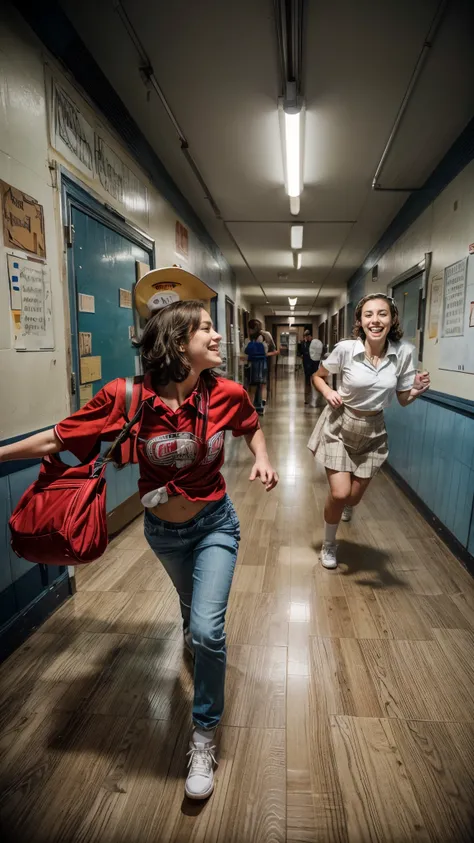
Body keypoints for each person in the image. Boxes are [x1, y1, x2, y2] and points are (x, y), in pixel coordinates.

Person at [0, 298, 279, 801]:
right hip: (162, 534)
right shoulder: (126, 397)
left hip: (217, 522)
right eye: (208, 330)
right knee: (193, 608)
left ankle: (203, 734)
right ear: (177, 343)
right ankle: (195, 636)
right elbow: (56, 440)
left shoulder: (228, 392)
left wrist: (263, 458)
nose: (218, 337)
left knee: (206, 628)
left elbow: (250, 426)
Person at [307, 293, 430, 569]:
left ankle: (348, 504)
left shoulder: (404, 352)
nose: (375, 320)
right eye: (368, 315)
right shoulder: (346, 349)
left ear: (392, 319)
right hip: (340, 423)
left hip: (373, 431)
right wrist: (328, 392)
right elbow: (317, 376)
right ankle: (329, 544)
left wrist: (417, 390)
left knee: (352, 497)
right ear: (360, 321)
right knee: (339, 494)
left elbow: (402, 397)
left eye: (382, 314)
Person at [244, 320, 278, 415]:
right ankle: (260, 405)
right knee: (261, 385)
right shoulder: (264, 336)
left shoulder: (251, 339)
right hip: (262, 364)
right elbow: (269, 350)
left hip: (253, 364)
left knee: (252, 386)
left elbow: (247, 351)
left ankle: (251, 407)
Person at [299, 329, 320, 406]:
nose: (307, 338)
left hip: (314, 364)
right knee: (307, 380)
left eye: (308, 336)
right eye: (306, 336)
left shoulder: (314, 344)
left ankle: (315, 396)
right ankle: (307, 398)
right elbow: (301, 352)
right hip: (306, 363)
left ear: (311, 336)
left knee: (314, 379)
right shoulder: (303, 343)